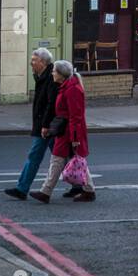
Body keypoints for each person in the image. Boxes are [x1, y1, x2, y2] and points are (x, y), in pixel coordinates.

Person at [30, 60, 96, 203]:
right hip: (64, 130)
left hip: (69, 132)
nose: (52, 73)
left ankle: (45, 192)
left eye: (54, 71)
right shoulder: (65, 86)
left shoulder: (72, 89)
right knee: (74, 160)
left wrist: (74, 138)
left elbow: (75, 116)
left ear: (61, 74)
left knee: (59, 160)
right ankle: (89, 190)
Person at [4, 48, 59, 201]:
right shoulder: (41, 76)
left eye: (34, 60)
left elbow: (51, 104)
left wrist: (45, 125)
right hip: (44, 124)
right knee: (61, 157)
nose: (31, 63)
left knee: (43, 156)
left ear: (43, 62)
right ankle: (80, 185)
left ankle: (22, 189)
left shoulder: (51, 77)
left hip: (47, 126)